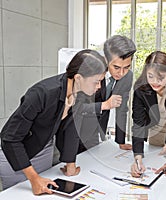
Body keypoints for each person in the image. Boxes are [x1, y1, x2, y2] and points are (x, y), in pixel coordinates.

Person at [0, 49, 107, 195]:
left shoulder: (80, 94)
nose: (99, 86)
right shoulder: (42, 93)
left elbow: (71, 129)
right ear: (78, 77)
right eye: (97, 81)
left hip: (44, 149)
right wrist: (34, 178)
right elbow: (9, 138)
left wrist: (71, 164)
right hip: (16, 154)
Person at [89, 35, 136, 150]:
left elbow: (122, 109)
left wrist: (120, 141)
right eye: (116, 67)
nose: (121, 73)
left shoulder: (128, 76)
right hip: (80, 127)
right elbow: (77, 108)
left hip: (101, 130)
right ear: (106, 59)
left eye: (126, 67)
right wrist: (105, 105)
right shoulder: (90, 72)